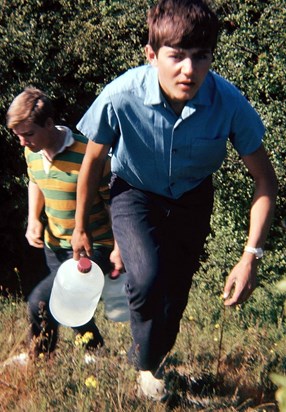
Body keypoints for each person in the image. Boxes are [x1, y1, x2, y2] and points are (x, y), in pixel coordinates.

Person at [71, 0, 277, 401]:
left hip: (192, 198)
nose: (189, 70)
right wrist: (80, 225)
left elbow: (266, 181)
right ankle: (145, 369)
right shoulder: (120, 95)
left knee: (176, 293)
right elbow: (92, 162)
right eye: (176, 56)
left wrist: (251, 255)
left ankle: (151, 357)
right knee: (147, 279)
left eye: (201, 58)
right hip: (134, 191)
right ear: (151, 55)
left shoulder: (229, 103)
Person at [6, 87, 122, 359]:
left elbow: (113, 203)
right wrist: (33, 219)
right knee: (72, 306)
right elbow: (35, 181)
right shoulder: (32, 151)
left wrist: (119, 247)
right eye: (18, 136)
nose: (23, 142)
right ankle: (97, 355)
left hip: (94, 246)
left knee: (41, 303)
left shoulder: (89, 155)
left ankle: (38, 359)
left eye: (28, 134)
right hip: (55, 244)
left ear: (49, 124)